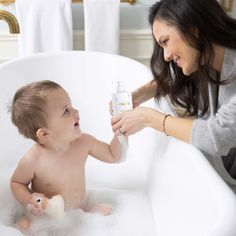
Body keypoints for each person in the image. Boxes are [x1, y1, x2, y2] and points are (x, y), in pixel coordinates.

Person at [111, 0, 236, 187]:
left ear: (194, 29)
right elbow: (174, 78)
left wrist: (149, 118)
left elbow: (217, 136)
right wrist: (137, 96)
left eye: (166, 41)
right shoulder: (208, 59)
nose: (166, 55)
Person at [9, 80, 123, 229]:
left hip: (77, 209)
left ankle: (84, 210)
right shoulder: (34, 159)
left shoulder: (83, 142)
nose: (76, 112)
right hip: (45, 214)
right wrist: (30, 200)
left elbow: (113, 155)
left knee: (109, 212)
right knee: (25, 226)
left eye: (71, 106)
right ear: (44, 133)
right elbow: (16, 183)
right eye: (66, 111)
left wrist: (121, 133)